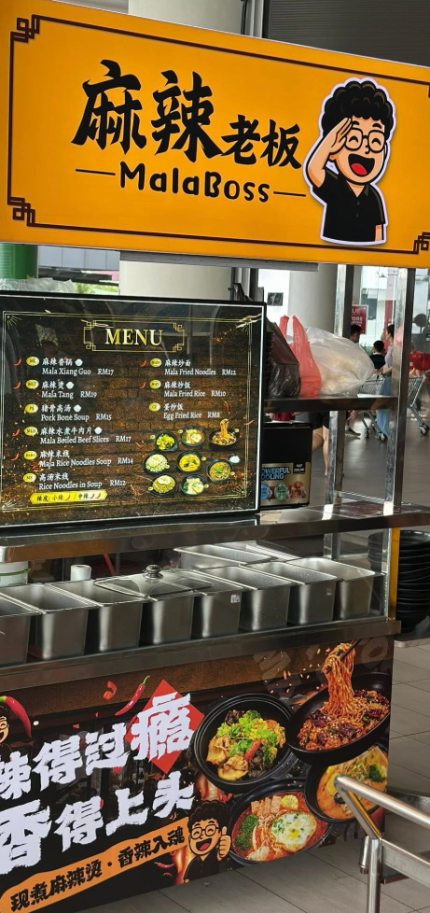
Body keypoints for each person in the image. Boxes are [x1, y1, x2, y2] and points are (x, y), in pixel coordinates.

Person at [305, 79, 395, 245]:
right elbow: (313, 169)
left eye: (375, 141)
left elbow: (378, 235)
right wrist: (329, 142)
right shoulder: (334, 186)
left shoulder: (374, 197)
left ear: (384, 151)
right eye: (354, 139)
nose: (365, 149)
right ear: (334, 148)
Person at [376, 324, 394, 440]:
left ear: (390, 334)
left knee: (382, 405)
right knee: (381, 405)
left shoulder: (395, 348)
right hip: (386, 378)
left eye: (386, 332)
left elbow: (395, 365)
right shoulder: (391, 347)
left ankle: (386, 431)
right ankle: (384, 429)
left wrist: (383, 372)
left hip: (389, 379)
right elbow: (388, 364)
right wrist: (379, 370)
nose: (385, 335)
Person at [345, 324, 362, 437]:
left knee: (346, 403)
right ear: (354, 335)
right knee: (347, 402)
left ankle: (346, 426)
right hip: (349, 380)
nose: (359, 337)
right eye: (358, 335)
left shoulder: (345, 346)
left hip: (349, 379)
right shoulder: (350, 348)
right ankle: (345, 426)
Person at [311, 412, 330, 476]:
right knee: (328, 438)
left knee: (316, 434)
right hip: (331, 407)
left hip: (315, 407)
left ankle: (298, 466)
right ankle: (329, 470)